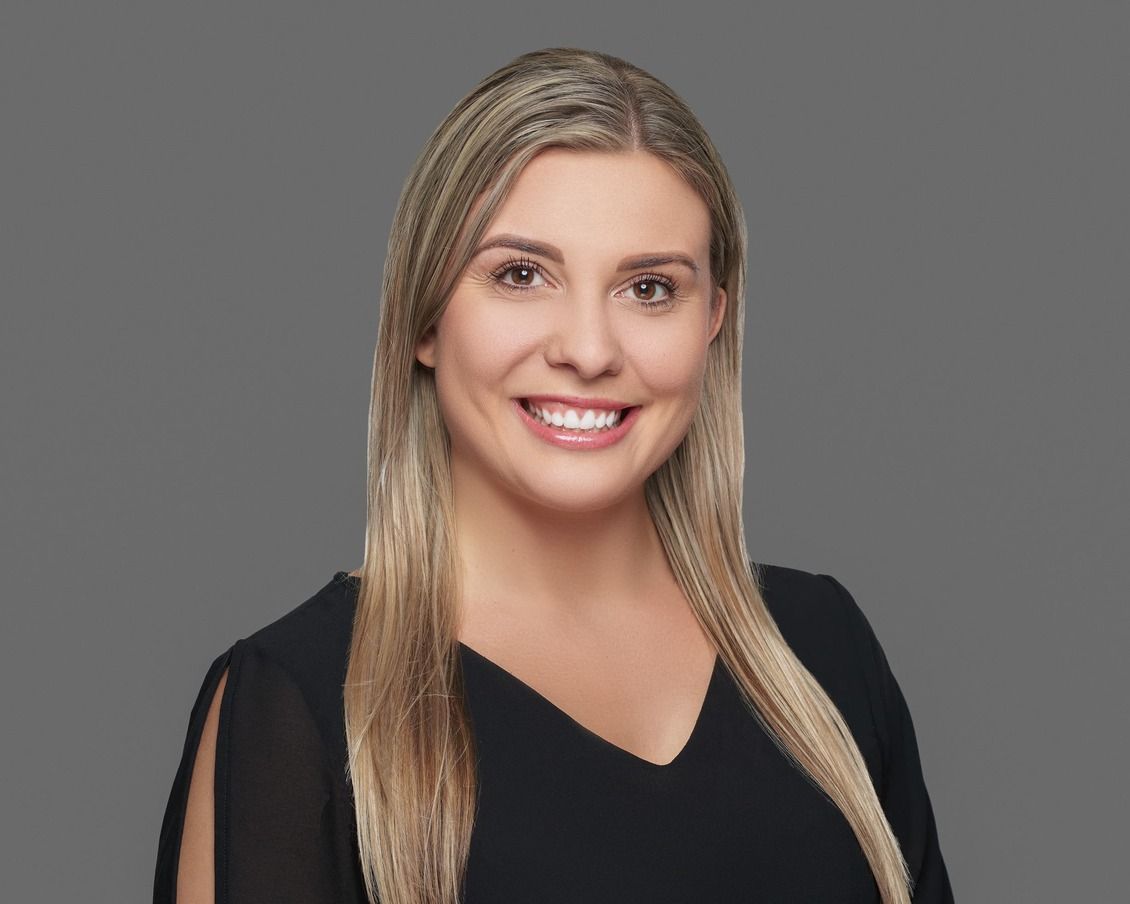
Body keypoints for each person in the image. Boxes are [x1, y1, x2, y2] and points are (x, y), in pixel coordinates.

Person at [154, 47, 954, 904]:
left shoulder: (824, 650)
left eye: (648, 288)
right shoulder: (299, 706)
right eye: (521, 275)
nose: (588, 349)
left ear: (714, 319)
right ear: (425, 317)